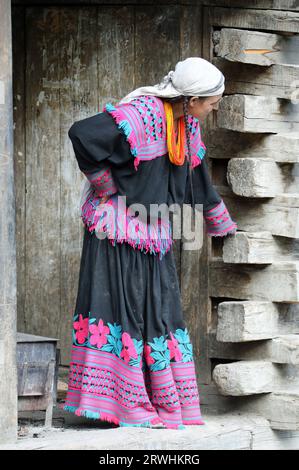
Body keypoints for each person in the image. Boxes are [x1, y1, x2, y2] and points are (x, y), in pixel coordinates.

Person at [59, 57, 238, 430]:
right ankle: (121, 405)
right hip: (116, 226)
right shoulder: (140, 114)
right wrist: (106, 186)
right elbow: (82, 133)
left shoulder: (186, 126)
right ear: (190, 99)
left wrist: (219, 222)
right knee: (121, 307)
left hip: (152, 228)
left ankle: (155, 400)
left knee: (156, 309)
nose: (213, 108)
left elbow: (196, 176)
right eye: (211, 102)